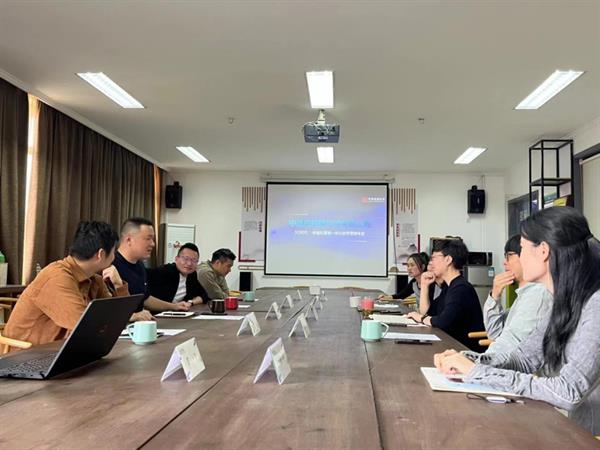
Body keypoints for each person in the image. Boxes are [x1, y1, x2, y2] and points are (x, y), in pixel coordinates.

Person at [434, 207, 600, 435]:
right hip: (570, 430)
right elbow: (523, 359)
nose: (518, 259)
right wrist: (470, 360)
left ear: (543, 251)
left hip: (587, 436)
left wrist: (478, 372)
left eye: (521, 249)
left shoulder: (595, 304)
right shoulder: (562, 302)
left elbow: (569, 391)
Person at [1, 221, 129, 353]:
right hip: (23, 355)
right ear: (100, 254)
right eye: (113, 252)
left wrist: (118, 285)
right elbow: (84, 326)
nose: (114, 257)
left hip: (59, 350)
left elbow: (118, 317)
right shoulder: (57, 278)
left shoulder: (94, 279)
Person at [406, 239, 485, 352]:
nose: (431, 263)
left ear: (448, 260)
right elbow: (426, 312)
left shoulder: (461, 288)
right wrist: (424, 285)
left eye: (433, 258)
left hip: (465, 351)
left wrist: (421, 318)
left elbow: (443, 322)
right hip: (451, 347)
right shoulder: (448, 287)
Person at [481, 234, 552, 355]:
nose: (504, 263)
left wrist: (475, 362)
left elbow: (510, 348)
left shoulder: (537, 294)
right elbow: (495, 334)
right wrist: (495, 296)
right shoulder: (525, 294)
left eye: (509, 255)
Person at [114, 218, 191, 314]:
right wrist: (132, 316)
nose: (153, 244)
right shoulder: (111, 265)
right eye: (148, 239)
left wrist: (174, 306)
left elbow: (145, 299)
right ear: (129, 240)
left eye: (153, 239)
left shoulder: (139, 265)